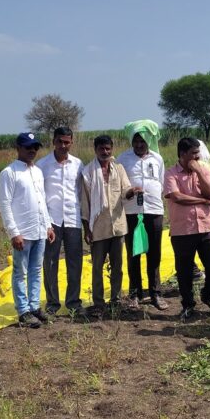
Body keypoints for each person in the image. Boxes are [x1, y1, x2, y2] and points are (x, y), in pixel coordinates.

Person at [0, 132, 56, 328]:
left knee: (36, 271)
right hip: (23, 232)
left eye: (35, 147)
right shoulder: (10, 172)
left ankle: (34, 306)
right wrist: (14, 232)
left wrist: (48, 225)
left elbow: (42, 201)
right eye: (28, 147)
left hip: (39, 229)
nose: (32, 150)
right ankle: (23, 310)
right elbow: (4, 205)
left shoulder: (38, 171)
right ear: (18, 148)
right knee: (20, 271)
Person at [164, 137, 210, 321]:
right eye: (194, 154)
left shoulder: (203, 169)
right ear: (182, 154)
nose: (198, 157)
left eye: (198, 153)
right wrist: (204, 201)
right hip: (183, 229)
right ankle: (188, 304)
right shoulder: (170, 173)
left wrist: (198, 172)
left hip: (205, 225)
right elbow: (177, 197)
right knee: (184, 270)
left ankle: (208, 294)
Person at [79, 135, 136, 315]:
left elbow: (126, 190)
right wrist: (86, 228)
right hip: (98, 227)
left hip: (118, 225)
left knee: (118, 266)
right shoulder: (88, 172)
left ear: (112, 149)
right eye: (102, 149)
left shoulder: (118, 169)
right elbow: (85, 203)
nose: (105, 152)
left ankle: (116, 299)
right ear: (95, 150)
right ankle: (98, 302)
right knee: (97, 266)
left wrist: (132, 192)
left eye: (108, 149)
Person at [118, 119, 168, 311]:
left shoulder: (157, 159)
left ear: (149, 141)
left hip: (154, 211)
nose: (139, 145)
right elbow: (120, 186)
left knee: (154, 253)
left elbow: (161, 183)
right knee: (134, 253)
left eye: (143, 141)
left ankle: (155, 293)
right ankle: (134, 294)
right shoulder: (123, 159)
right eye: (136, 141)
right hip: (131, 212)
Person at [36, 127, 83, 315]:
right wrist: (45, 222)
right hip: (51, 220)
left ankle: (73, 302)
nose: (63, 146)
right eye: (60, 142)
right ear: (53, 141)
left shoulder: (78, 164)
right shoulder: (42, 165)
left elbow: (81, 192)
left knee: (75, 262)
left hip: (73, 218)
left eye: (67, 142)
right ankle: (52, 303)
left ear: (71, 142)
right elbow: (39, 195)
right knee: (50, 262)